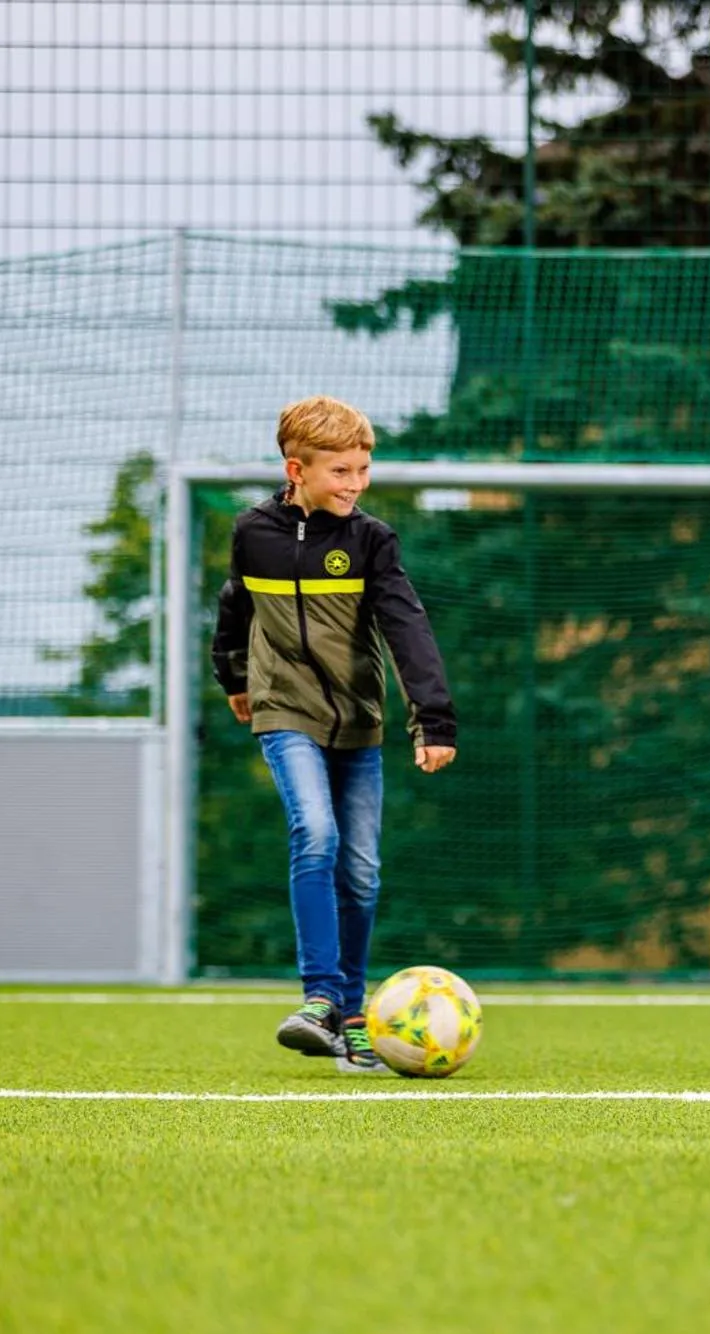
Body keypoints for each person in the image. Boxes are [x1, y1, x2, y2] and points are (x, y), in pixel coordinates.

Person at [211, 396, 458, 1075]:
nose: (355, 483)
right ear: (297, 468)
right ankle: (319, 997)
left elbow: (408, 628)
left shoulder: (370, 541)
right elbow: (236, 605)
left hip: (358, 723)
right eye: (342, 471)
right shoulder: (253, 532)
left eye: (364, 469)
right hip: (283, 712)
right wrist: (233, 674)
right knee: (314, 832)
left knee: (362, 869)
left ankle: (350, 1016)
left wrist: (432, 718)